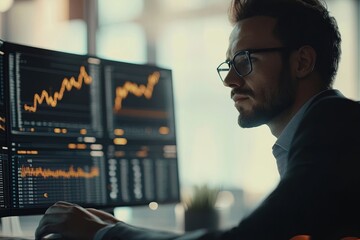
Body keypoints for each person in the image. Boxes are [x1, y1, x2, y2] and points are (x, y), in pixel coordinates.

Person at [35, 0, 360, 239]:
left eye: (245, 60)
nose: (229, 79)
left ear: (302, 62)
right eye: (229, 64)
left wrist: (104, 233)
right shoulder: (325, 130)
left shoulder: (333, 127)